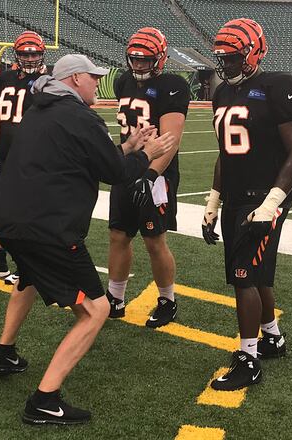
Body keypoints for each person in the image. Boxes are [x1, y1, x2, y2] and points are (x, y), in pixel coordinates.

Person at [0, 54, 176, 425]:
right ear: (74, 80)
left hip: (10, 221)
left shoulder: (42, 109)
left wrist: (131, 145)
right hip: (47, 228)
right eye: (92, 78)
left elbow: (93, 159)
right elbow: (115, 173)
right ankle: (45, 398)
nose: (97, 84)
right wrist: (147, 154)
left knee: (27, 279)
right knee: (96, 309)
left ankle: (4, 352)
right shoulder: (79, 116)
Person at [201, 18, 292, 391]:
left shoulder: (279, 86)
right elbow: (225, 151)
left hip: (267, 196)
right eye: (222, 59)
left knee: (244, 275)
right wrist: (214, 199)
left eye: (233, 58)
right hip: (235, 194)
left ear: (254, 51)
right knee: (253, 272)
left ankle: (249, 358)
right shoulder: (220, 93)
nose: (226, 65)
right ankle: (273, 337)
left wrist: (272, 203)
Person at [106, 27, 190, 328]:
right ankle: (115, 297)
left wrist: (152, 174)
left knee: (154, 239)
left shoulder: (173, 85)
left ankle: (168, 300)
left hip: (157, 172)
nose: (139, 65)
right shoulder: (123, 80)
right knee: (118, 233)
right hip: (127, 166)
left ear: (161, 58)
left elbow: (171, 140)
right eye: (135, 59)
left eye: (146, 60)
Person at [0, 31, 47, 284]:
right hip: (6, 157)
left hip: (33, 160)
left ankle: (28, 266)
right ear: (17, 54)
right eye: (25, 53)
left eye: (34, 53)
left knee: (28, 213)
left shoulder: (49, 81)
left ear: (42, 54)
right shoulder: (5, 78)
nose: (30, 57)